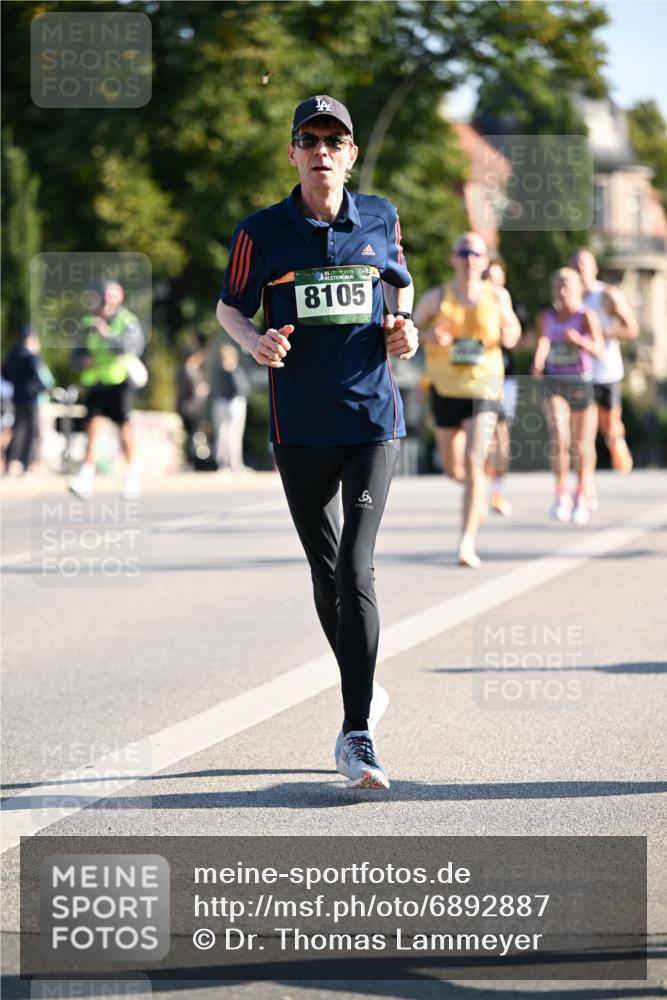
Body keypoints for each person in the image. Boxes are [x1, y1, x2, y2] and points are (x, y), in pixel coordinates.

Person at [216, 95, 418, 790]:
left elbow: (400, 287)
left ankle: (356, 733)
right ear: (293, 152)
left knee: (355, 570)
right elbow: (228, 306)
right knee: (324, 571)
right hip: (298, 427)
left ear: (351, 154)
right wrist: (255, 340)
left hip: (369, 425)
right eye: (310, 138)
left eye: (335, 139)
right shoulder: (260, 232)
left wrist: (406, 328)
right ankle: (360, 679)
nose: (322, 149)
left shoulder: (381, 218)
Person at [413, 232, 521, 568]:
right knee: (453, 469)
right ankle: (478, 496)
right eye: (464, 253)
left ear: (485, 260)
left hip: (484, 389)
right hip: (445, 389)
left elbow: (514, 333)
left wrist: (508, 335)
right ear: (453, 259)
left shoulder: (498, 297)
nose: (470, 259)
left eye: (476, 253)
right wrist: (429, 335)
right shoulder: (437, 297)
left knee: (475, 463)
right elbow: (407, 331)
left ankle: (466, 542)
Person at [532, 268, 605, 524]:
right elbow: (543, 341)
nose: (563, 293)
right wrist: (538, 362)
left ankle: (581, 492)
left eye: (568, 287)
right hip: (554, 382)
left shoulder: (586, 316)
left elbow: (600, 350)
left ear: (578, 290)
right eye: (559, 287)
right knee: (559, 436)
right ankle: (561, 493)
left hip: (580, 382)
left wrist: (580, 342)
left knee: (581, 445)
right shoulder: (547, 316)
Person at [569, 247, 639, 496]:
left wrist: (599, 333)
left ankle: (616, 442)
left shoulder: (607, 296)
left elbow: (631, 329)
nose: (580, 270)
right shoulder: (568, 299)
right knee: (583, 433)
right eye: (575, 266)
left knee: (609, 427)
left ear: (594, 268)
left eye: (583, 265)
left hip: (607, 370)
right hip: (580, 373)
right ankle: (585, 486)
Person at [68, 280, 145, 498]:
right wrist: (81, 360)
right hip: (96, 383)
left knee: (125, 430)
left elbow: (133, 348)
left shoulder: (126, 321)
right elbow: (75, 354)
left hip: (120, 383)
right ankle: (86, 476)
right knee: (92, 428)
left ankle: (131, 476)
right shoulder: (87, 323)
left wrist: (107, 334)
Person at [483, 260, 521, 516]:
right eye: (488, 278)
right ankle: (480, 488)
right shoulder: (469, 300)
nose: (492, 283)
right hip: (475, 378)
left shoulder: (507, 301)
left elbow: (517, 337)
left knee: (501, 438)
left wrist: (509, 335)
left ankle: (496, 490)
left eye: (496, 278)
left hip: (504, 377)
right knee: (483, 439)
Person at [2, 327, 54, 475]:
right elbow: (39, 376)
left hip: (17, 398)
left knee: (17, 430)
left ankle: (9, 461)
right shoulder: (32, 357)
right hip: (31, 399)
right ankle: (25, 464)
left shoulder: (12, 355)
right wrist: (44, 388)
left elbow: (6, 375)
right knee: (31, 432)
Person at [212, 343, 252, 472]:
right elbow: (242, 388)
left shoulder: (219, 370)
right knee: (232, 435)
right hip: (233, 403)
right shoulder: (233, 370)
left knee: (223, 434)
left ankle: (224, 463)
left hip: (221, 402)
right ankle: (233, 464)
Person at [176, 331, 210, 469]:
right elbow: (196, 389)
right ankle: (190, 460)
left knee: (191, 434)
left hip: (189, 406)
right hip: (189, 407)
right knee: (190, 434)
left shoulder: (187, 371)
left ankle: (190, 459)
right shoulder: (188, 371)